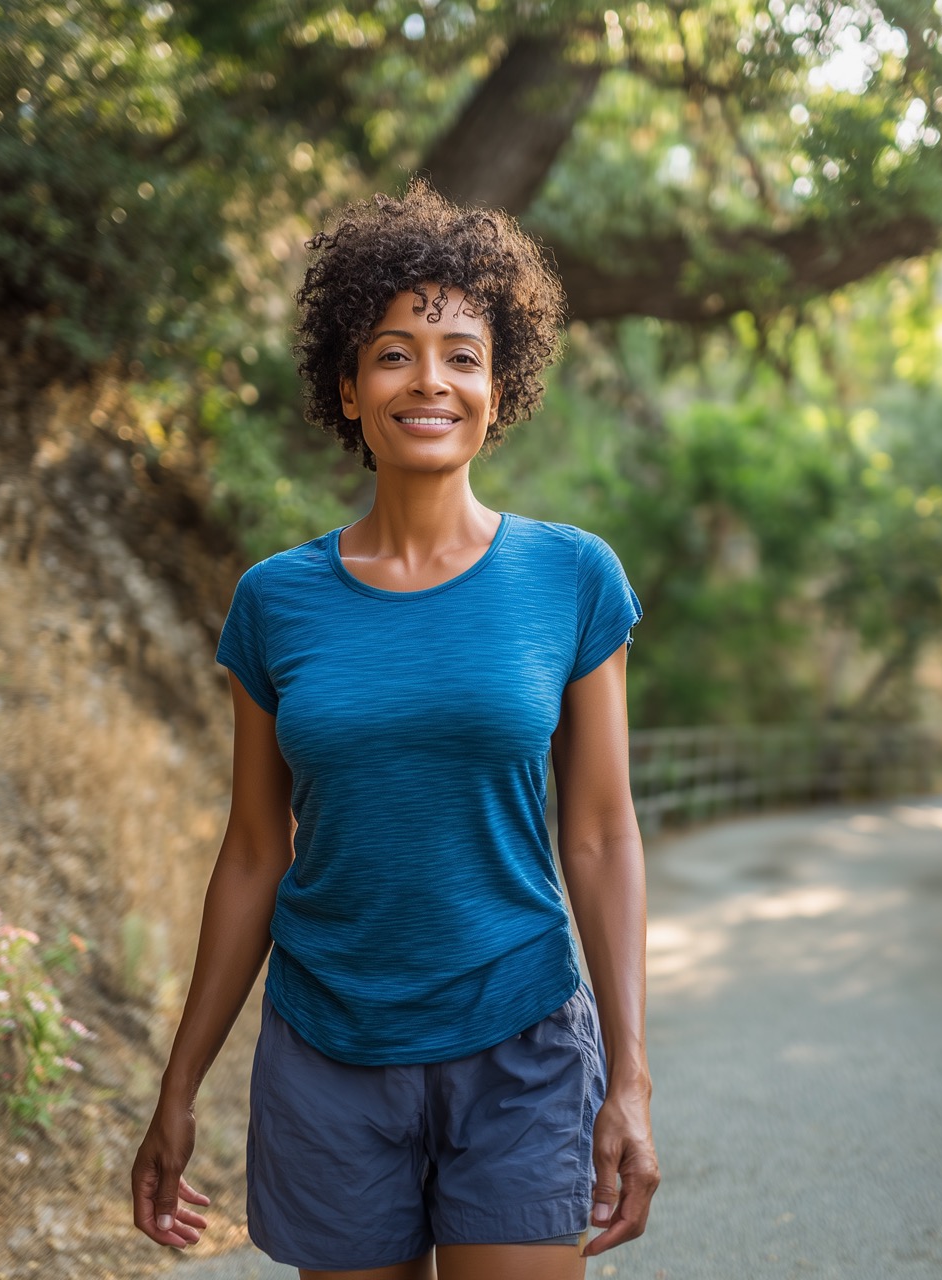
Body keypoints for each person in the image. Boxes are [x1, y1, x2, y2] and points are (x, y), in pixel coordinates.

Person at [130, 182, 659, 1280]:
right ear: (347, 387)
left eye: (461, 354)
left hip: (517, 1036)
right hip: (328, 1047)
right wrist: (179, 1085)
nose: (430, 379)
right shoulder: (276, 601)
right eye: (394, 352)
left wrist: (631, 1075)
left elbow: (602, 835)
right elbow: (254, 851)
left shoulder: (570, 576)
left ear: (498, 385)